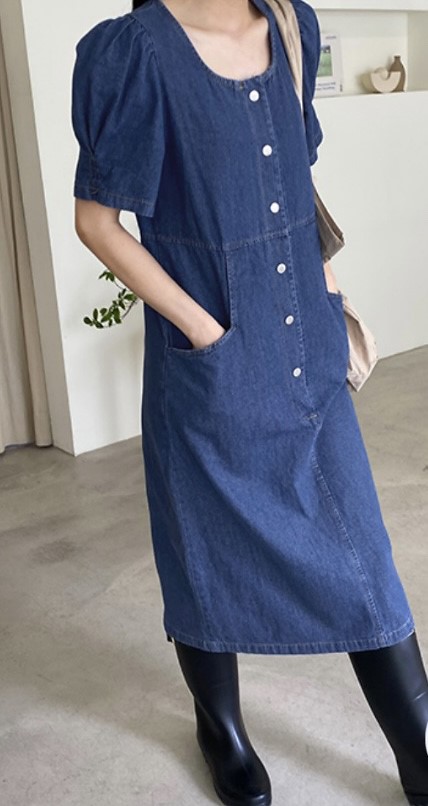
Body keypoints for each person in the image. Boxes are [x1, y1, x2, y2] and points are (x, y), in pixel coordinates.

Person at [71, 1, 428, 803]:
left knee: (362, 552)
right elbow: (97, 222)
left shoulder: (293, 24)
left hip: (308, 340)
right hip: (210, 359)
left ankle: (419, 747)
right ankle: (221, 730)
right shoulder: (133, 53)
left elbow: (296, 182)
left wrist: (328, 294)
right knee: (201, 545)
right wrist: (205, 330)